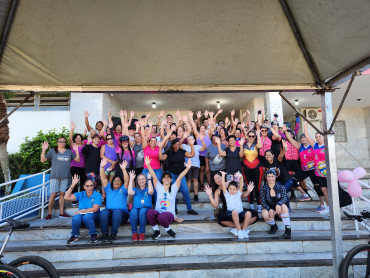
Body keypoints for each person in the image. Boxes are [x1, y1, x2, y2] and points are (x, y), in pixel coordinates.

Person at [145, 157, 192, 239]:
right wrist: (148, 165)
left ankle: (168, 230)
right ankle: (156, 231)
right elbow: (153, 175)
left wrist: (187, 168)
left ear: (171, 180)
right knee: (150, 212)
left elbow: (180, 176)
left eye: (168, 178)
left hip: (169, 215)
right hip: (158, 213)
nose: (166, 179)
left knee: (161, 216)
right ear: (162, 179)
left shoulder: (174, 188)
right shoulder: (159, 187)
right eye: (165, 178)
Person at [284, 124, 325, 211]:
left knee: (317, 187)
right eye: (301, 138)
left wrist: (305, 125)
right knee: (293, 180)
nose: (303, 139)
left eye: (304, 137)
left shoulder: (313, 145)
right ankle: (305, 195)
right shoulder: (300, 146)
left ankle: (322, 205)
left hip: (313, 170)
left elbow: (308, 136)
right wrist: (285, 131)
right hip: (304, 170)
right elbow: (290, 139)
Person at [40, 138, 80, 220]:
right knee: (53, 194)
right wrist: (43, 150)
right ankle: (49, 213)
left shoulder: (69, 152)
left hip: (65, 176)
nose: (62, 142)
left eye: (63, 141)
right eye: (60, 141)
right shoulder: (52, 151)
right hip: (55, 176)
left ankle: (61, 213)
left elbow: (78, 159)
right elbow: (42, 160)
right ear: (57, 143)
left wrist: (76, 150)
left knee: (62, 194)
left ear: (65, 143)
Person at [159, 131, 198, 215]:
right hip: (171, 174)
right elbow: (161, 158)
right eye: (176, 144)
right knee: (173, 192)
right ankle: (174, 208)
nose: (177, 146)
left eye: (178, 144)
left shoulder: (182, 151)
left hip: (181, 174)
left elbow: (192, 155)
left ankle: (189, 209)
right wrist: (160, 147)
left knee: (185, 191)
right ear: (172, 145)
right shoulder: (169, 152)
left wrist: (191, 145)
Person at [64, 175, 102, 244]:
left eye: (91, 186)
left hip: (94, 217)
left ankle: (93, 234)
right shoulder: (81, 194)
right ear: (84, 187)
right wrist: (73, 185)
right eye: (87, 186)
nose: (89, 188)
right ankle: (75, 235)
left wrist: (81, 211)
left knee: (87, 216)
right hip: (82, 216)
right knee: (76, 217)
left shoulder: (97, 195)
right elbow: (66, 197)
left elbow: (95, 209)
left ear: (93, 186)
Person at [99, 158, 130, 242]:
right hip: (110, 214)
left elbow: (127, 181)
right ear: (112, 182)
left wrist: (124, 170)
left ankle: (113, 234)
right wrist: (102, 167)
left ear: (121, 183)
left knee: (117, 211)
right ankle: (105, 234)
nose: (116, 182)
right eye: (114, 181)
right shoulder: (109, 189)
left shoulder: (123, 189)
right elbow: (104, 179)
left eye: (118, 181)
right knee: (103, 212)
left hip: (121, 215)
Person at [220, 171, 256, 239]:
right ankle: (239, 230)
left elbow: (241, 185)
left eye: (234, 189)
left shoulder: (238, 194)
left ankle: (243, 230)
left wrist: (241, 177)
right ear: (228, 189)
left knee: (248, 213)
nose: (232, 191)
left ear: (237, 190)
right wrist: (223, 175)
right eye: (230, 189)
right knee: (234, 211)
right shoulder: (227, 195)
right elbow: (223, 186)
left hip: (240, 213)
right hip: (231, 213)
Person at [304, 121, 330, 214]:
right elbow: (307, 136)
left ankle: (333, 207)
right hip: (318, 172)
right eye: (316, 137)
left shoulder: (327, 145)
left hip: (327, 172)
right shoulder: (315, 145)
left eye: (319, 136)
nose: (318, 138)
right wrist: (305, 125)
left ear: (323, 137)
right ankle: (328, 207)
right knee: (323, 189)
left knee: (329, 189)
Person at [260, 169, 291, 239]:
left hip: (280, 211)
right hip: (270, 210)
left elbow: (284, 198)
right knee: (264, 213)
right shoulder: (263, 188)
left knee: (284, 206)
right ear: (266, 177)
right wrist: (269, 209)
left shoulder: (281, 187)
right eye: (268, 176)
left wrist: (279, 204)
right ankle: (273, 225)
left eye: (272, 176)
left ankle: (288, 230)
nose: (270, 178)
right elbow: (263, 202)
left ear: (275, 177)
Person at [240, 129, 263, 212]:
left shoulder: (256, 144)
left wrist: (258, 135)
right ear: (247, 137)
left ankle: (259, 205)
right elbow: (241, 155)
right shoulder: (244, 145)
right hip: (246, 168)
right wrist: (241, 145)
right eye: (249, 136)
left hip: (257, 168)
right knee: (249, 186)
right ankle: (251, 204)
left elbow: (260, 146)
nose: (251, 137)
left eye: (253, 136)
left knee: (257, 186)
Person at [128, 170, 154, 241]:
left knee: (142, 211)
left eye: (143, 179)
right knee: (133, 211)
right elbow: (130, 192)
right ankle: (134, 233)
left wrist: (149, 179)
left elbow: (151, 192)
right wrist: (131, 179)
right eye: (139, 179)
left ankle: (142, 232)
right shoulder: (135, 189)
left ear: (145, 180)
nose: (141, 181)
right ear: (137, 181)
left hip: (146, 209)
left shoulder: (149, 188)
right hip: (136, 209)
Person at [182, 134, 206, 201]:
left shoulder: (197, 146)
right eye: (189, 139)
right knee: (188, 180)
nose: (190, 141)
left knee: (195, 179)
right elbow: (179, 145)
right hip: (187, 165)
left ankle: (196, 195)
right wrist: (183, 137)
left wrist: (202, 140)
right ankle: (187, 195)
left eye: (192, 139)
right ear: (187, 140)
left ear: (194, 140)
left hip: (196, 165)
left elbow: (204, 148)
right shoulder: (184, 146)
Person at [69, 122, 86, 201]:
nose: (78, 139)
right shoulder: (73, 146)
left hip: (83, 167)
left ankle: (82, 198)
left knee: (83, 183)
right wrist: (72, 129)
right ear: (74, 139)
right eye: (76, 138)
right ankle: (74, 199)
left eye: (79, 138)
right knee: (74, 183)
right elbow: (69, 139)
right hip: (74, 166)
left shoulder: (84, 146)